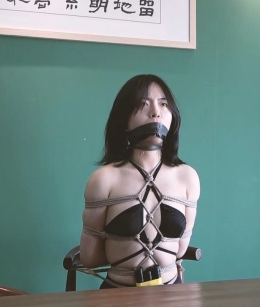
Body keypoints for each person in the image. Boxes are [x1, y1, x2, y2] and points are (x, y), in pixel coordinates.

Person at [79, 74, 200, 288]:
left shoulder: (188, 177)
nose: (156, 112)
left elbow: (181, 250)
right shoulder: (103, 180)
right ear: (123, 118)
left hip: (172, 296)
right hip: (117, 297)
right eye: (143, 104)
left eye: (163, 104)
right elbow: (90, 258)